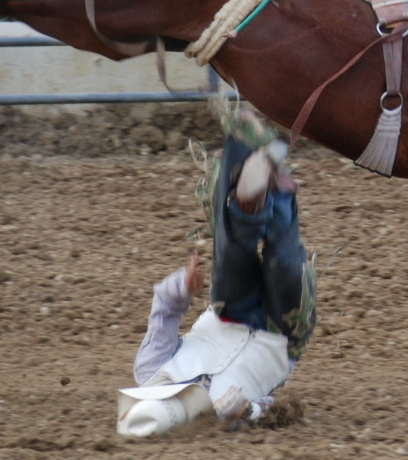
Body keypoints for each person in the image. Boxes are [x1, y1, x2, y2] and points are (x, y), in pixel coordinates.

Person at [117, 107, 316, 437]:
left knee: (231, 256)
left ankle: (249, 191)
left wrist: (182, 287)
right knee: (284, 263)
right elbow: (269, 405)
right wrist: (248, 409)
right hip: (282, 333)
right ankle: (272, 186)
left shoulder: (150, 370)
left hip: (230, 310)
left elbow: (164, 309)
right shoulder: (224, 413)